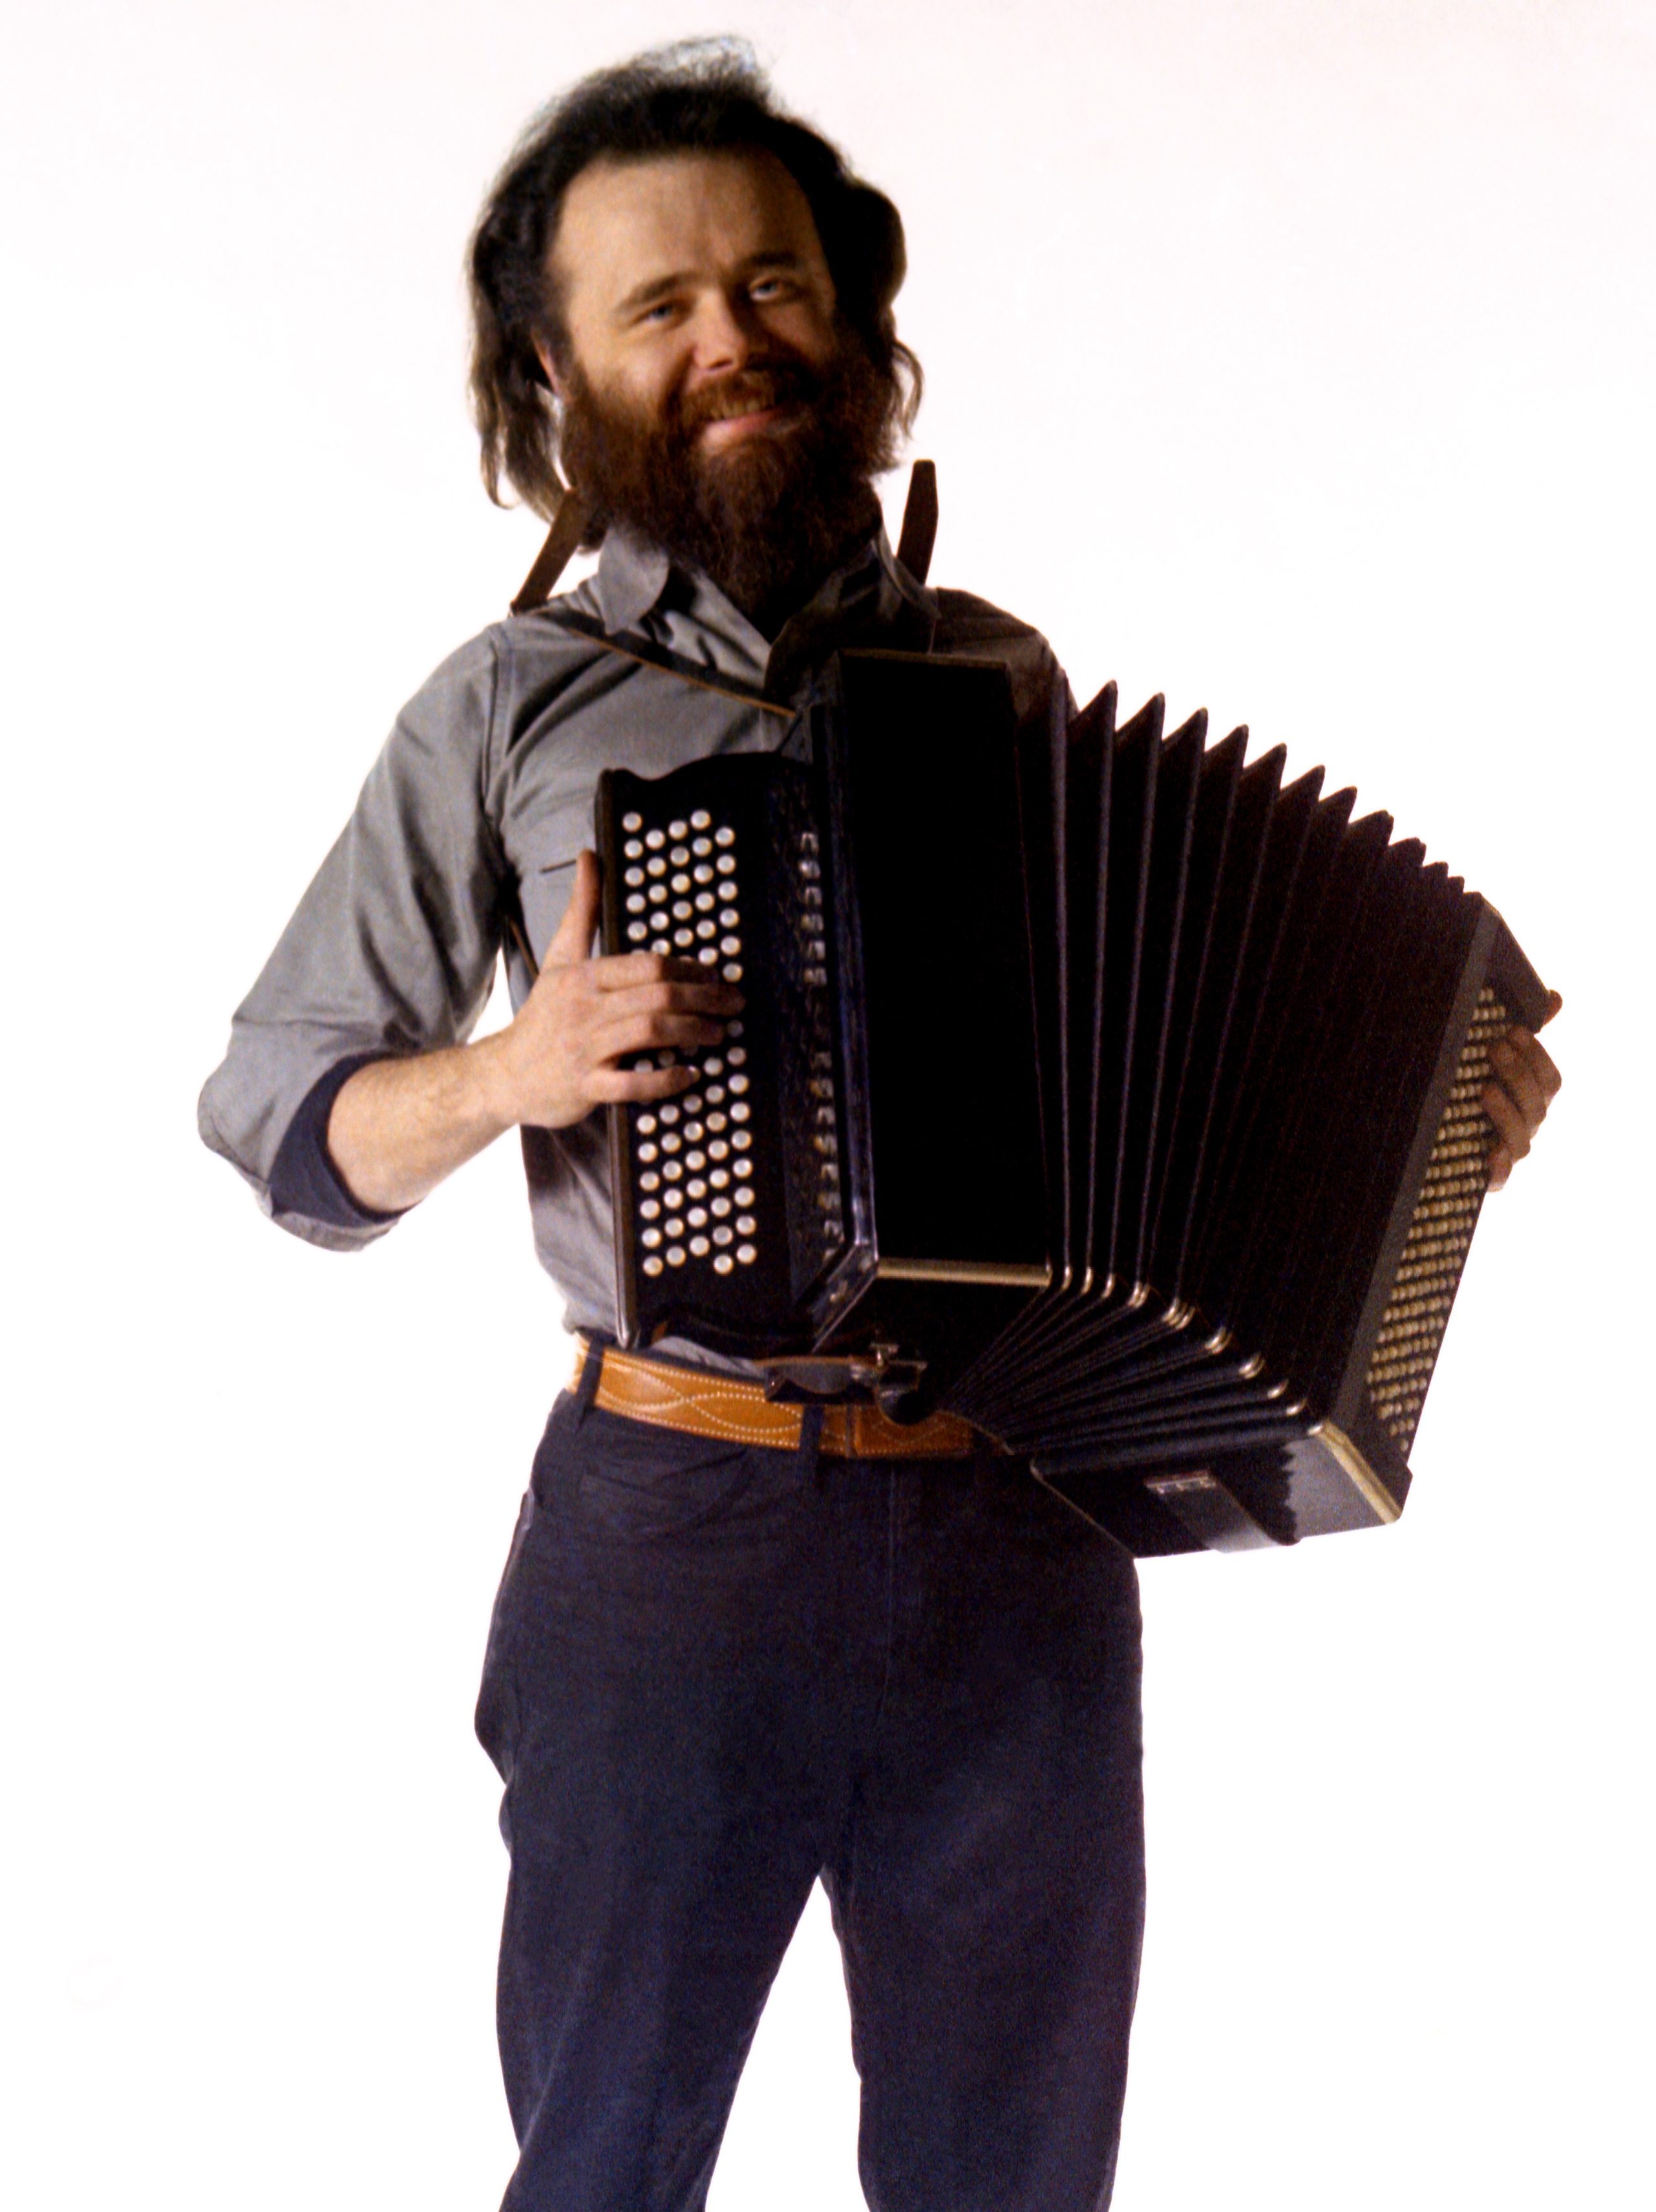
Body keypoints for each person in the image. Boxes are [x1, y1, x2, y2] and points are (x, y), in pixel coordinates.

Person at [197, 42, 1562, 2212]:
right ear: (558, 373)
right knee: (607, 2160)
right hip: (671, 1533)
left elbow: (1165, 1060)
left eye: (772, 286)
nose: (727, 338)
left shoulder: (1000, 678)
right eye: (659, 307)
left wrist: (1405, 1152)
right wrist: (506, 1072)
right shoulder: (502, 706)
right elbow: (284, 1123)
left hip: (1012, 1549)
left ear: (855, 327)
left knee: (1013, 2177)